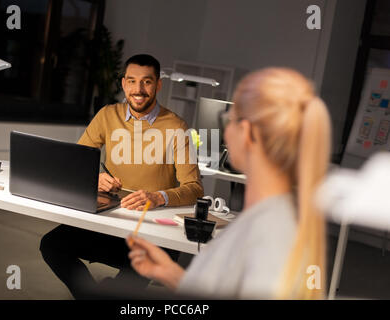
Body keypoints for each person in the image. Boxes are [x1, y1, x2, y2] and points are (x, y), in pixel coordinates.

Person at [127, 67, 332, 300]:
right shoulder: (269, 217)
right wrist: (172, 274)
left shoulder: (272, 232)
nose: (226, 129)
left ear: (247, 132)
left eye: (229, 120)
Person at [39, 54, 203, 299]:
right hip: (108, 223)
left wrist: (158, 197)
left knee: (137, 274)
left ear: (158, 85)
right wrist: (94, 176)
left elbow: (194, 187)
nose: (138, 89)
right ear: (123, 83)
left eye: (147, 82)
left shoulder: (176, 126)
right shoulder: (107, 115)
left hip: (151, 234)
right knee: (52, 245)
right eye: (132, 81)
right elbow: (76, 163)